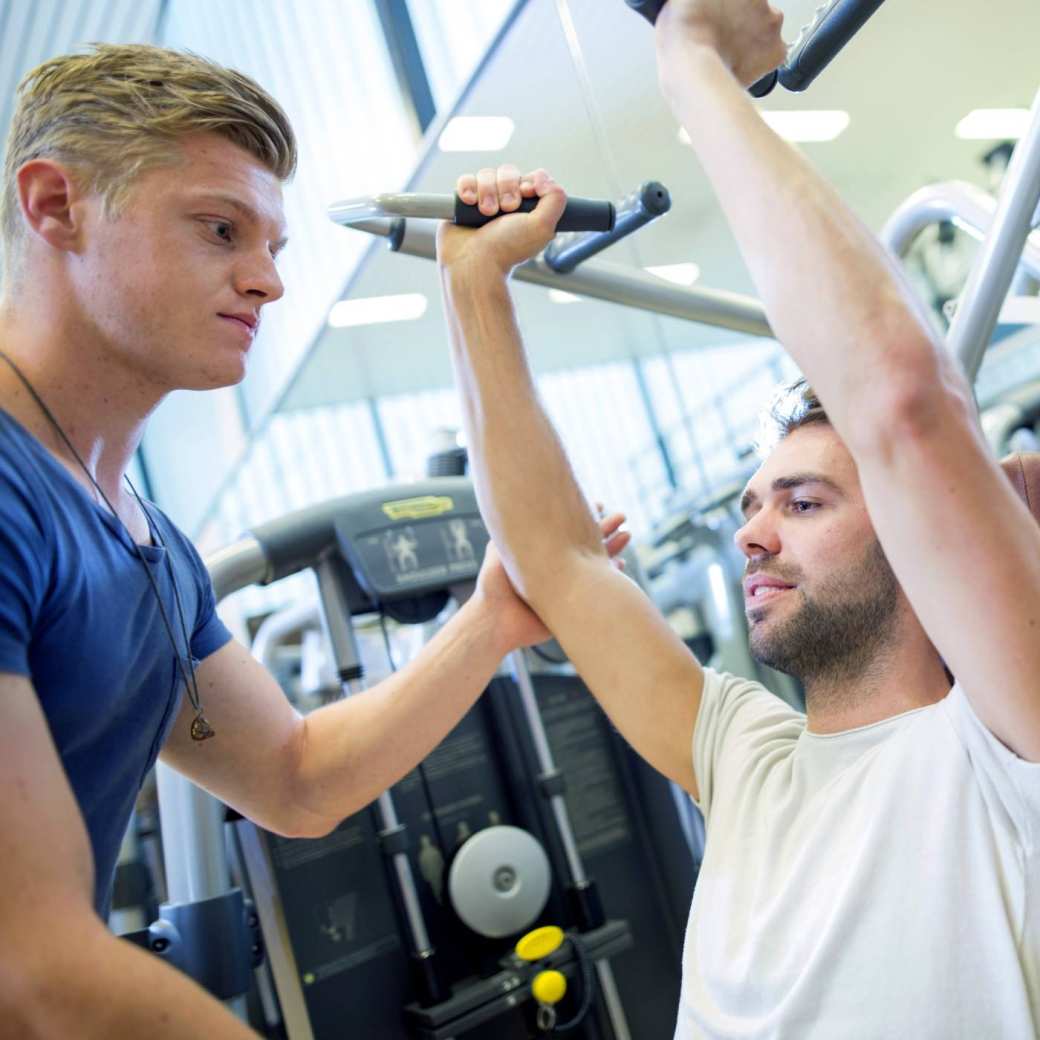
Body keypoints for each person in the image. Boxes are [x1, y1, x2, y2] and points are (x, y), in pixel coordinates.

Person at [435, 1, 1040, 1036]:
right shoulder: (743, 757)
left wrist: (692, 57)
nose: (750, 533)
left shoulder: (999, 745)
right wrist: (474, 283)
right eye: (749, 505)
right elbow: (557, 558)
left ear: (916, 536)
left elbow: (902, 401)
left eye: (801, 502)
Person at [0, 44, 629, 1036]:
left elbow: (296, 779)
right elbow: (30, 964)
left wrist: (491, 619)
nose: (264, 282)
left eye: (273, 247)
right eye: (219, 230)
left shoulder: (146, 540)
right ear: (54, 206)